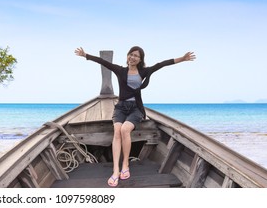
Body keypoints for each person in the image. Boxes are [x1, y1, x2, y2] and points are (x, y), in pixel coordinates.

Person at [75, 46, 196, 187]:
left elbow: (161, 64)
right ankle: (115, 170)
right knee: (117, 131)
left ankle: (125, 164)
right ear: (127, 56)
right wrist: (85, 55)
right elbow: (103, 62)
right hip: (120, 108)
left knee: (125, 130)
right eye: (131, 54)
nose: (132, 57)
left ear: (140, 59)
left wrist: (182, 58)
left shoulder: (144, 71)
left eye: (136, 56)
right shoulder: (120, 70)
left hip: (136, 109)